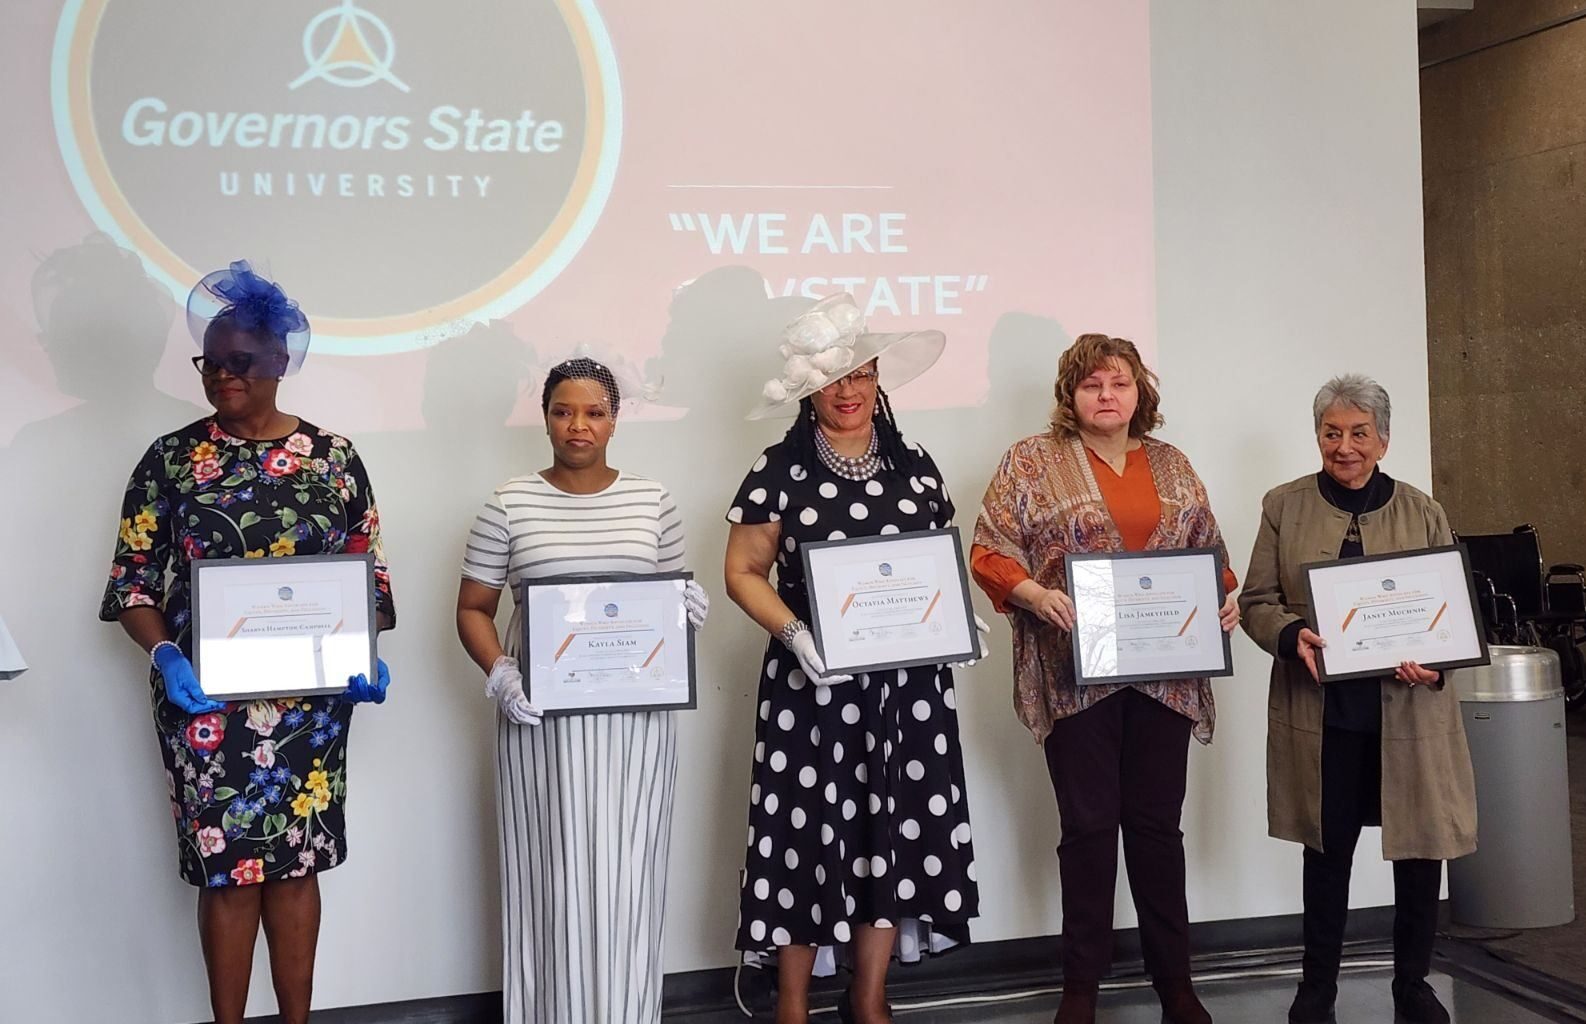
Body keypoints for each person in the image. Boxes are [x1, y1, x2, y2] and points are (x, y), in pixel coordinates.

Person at [100, 261, 396, 1024]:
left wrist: (363, 654)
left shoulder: (333, 459)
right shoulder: (170, 461)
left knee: (296, 869)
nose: (223, 377)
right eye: (212, 363)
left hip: (311, 704)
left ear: (280, 362)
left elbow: (368, 575)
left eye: (241, 363)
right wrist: (165, 656)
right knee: (228, 874)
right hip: (204, 701)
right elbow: (133, 582)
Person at [724, 293, 987, 1024]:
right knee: (806, 837)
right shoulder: (779, 467)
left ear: (879, 380)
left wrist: (958, 623)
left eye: (862, 374)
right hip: (812, 688)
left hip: (909, 692)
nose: (848, 391)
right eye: (835, 377)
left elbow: (935, 563)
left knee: (890, 833)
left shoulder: (915, 464)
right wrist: (795, 635)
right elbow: (741, 569)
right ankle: (793, 1004)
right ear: (811, 385)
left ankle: (869, 998)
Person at [971, 334, 1238, 1024]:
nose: (1106, 396)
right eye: (1091, 386)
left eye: (1118, 384)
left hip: (1166, 677)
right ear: (1070, 396)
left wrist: (1226, 596)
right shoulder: (1031, 461)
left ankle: (1175, 985)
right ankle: (1079, 988)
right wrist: (1032, 595)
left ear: (1139, 392)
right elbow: (988, 548)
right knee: (1087, 827)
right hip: (1074, 673)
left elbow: (1209, 553)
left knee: (1156, 829)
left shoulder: (1172, 464)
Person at [454, 354, 710, 1024]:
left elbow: (667, 601)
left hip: (636, 728)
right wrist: (501, 673)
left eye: (594, 412)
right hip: (542, 726)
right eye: (564, 411)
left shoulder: (652, 500)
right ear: (544, 417)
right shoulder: (509, 502)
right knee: (553, 877)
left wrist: (686, 610)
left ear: (615, 420)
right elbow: (472, 607)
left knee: (629, 877)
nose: (578, 426)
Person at [1239, 374, 1475, 1024]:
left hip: (1409, 712)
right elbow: (1257, 602)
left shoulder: (1421, 509)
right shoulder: (1283, 506)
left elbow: (1450, 613)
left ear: (1384, 439)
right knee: (1327, 848)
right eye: (1331, 432)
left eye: (1359, 433)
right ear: (1318, 436)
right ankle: (1317, 989)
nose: (1345, 447)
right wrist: (1292, 637)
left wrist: (1434, 660)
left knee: (1420, 849)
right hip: (1325, 714)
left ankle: (1413, 984)